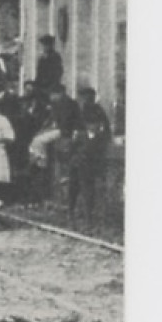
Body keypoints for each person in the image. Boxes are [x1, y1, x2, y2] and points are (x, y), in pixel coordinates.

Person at [70, 85, 112, 224]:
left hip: (92, 159)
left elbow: (105, 132)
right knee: (76, 185)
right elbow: (75, 140)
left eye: (89, 97)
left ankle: (88, 214)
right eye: (84, 97)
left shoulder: (97, 110)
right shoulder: (79, 112)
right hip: (80, 158)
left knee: (88, 187)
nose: (86, 100)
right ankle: (74, 211)